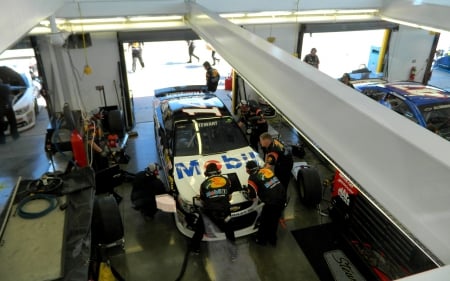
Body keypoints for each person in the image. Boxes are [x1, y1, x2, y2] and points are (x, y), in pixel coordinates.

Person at [190, 163, 236, 259]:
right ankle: (233, 254)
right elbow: (229, 197)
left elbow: (202, 200)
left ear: (206, 173)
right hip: (224, 211)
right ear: (218, 171)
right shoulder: (226, 180)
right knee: (229, 231)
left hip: (209, 211)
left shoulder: (203, 184)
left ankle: (194, 248)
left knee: (200, 230)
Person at [245, 160, 286, 246]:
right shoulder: (267, 170)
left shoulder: (252, 178)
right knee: (274, 220)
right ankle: (273, 240)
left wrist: (248, 192)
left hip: (272, 202)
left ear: (248, 170)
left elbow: (253, 196)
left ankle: (261, 240)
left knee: (264, 221)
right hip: (282, 196)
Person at [0, 79, 19, 144]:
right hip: (8, 107)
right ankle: (15, 136)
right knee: (12, 122)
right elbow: (10, 92)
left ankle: (2, 140)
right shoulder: (6, 87)